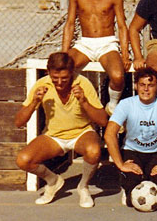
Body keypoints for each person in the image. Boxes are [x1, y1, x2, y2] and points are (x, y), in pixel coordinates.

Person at [15, 52, 108, 208]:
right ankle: (53, 181)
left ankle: (83, 187)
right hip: (54, 136)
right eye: (55, 78)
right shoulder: (42, 84)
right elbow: (18, 122)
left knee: (93, 151)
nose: (59, 82)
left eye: (64, 78)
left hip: (82, 132)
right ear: (48, 72)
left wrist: (84, 101)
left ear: (72, 72)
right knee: (23, 160)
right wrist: (34, 102)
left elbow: (102, 120)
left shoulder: (83, 83)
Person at [104, 67, 157, 209]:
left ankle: (151, 180)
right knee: (130, 191)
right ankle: (130, 187)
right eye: (142, 85)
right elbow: (109, 134)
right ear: (136, 86)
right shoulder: (126, 104)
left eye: (151, 85)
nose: (146, 89)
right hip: (132, 151)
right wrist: (121, 164)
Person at [62, 0, 131, 115]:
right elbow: (70, 23)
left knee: (118, 76)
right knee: (62, 68)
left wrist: (125, 54)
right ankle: (71, 106)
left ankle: (112, 105)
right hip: (84, 44)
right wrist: (64, 52)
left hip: (107, 44)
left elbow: (122, 26)